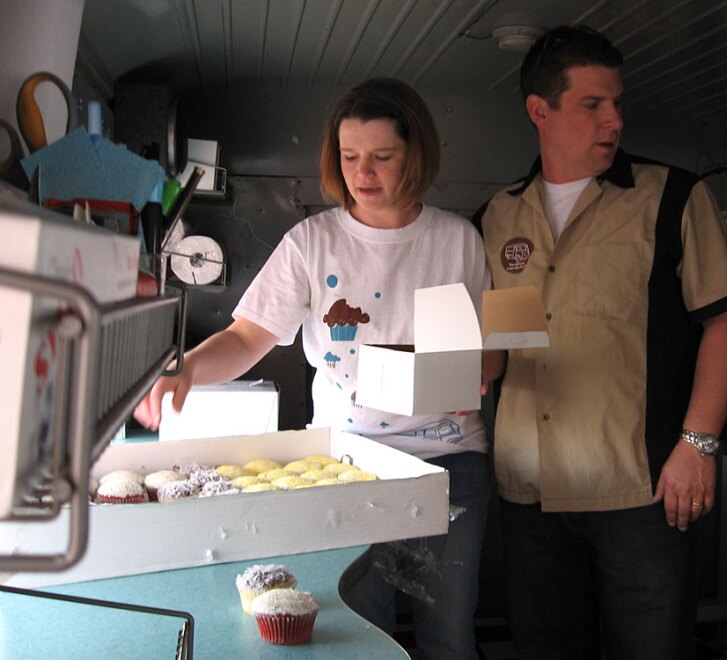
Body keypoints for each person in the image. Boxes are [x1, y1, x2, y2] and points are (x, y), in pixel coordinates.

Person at [135, 78, 496, 659]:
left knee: (449, 636)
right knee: (357, 630)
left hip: (451, 459)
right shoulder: (312, 241)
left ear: (418, 153)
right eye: (351, 158)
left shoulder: (458, 239)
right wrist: (186, 371)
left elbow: (488, 349)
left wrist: (476, 374)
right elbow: (249, 335)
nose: (364, 173)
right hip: (348, 462)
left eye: (383, 157)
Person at [475, 25, 727, 660]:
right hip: (530, 486)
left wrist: (698, 444)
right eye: (592, 104)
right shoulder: (497, 216)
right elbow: (494, 345)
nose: (614, 120)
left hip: (643, 487)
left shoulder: (673, 196)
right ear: (539, 111)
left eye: (617, 103)